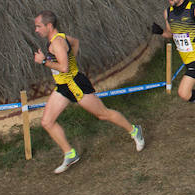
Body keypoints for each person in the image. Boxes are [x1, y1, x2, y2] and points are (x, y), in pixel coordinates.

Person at [33, 10, 144, 174]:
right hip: (63, 86)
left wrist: (44, 62)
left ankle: (135, 130)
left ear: (49, 26)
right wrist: (71, 60)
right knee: (47, 122)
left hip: (75, 85)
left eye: (38, 26)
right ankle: (70, 154)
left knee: (102, 114)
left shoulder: (57, 43)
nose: (36, 30)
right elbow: (75, 43)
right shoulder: (62, 37)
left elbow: (63, 67)